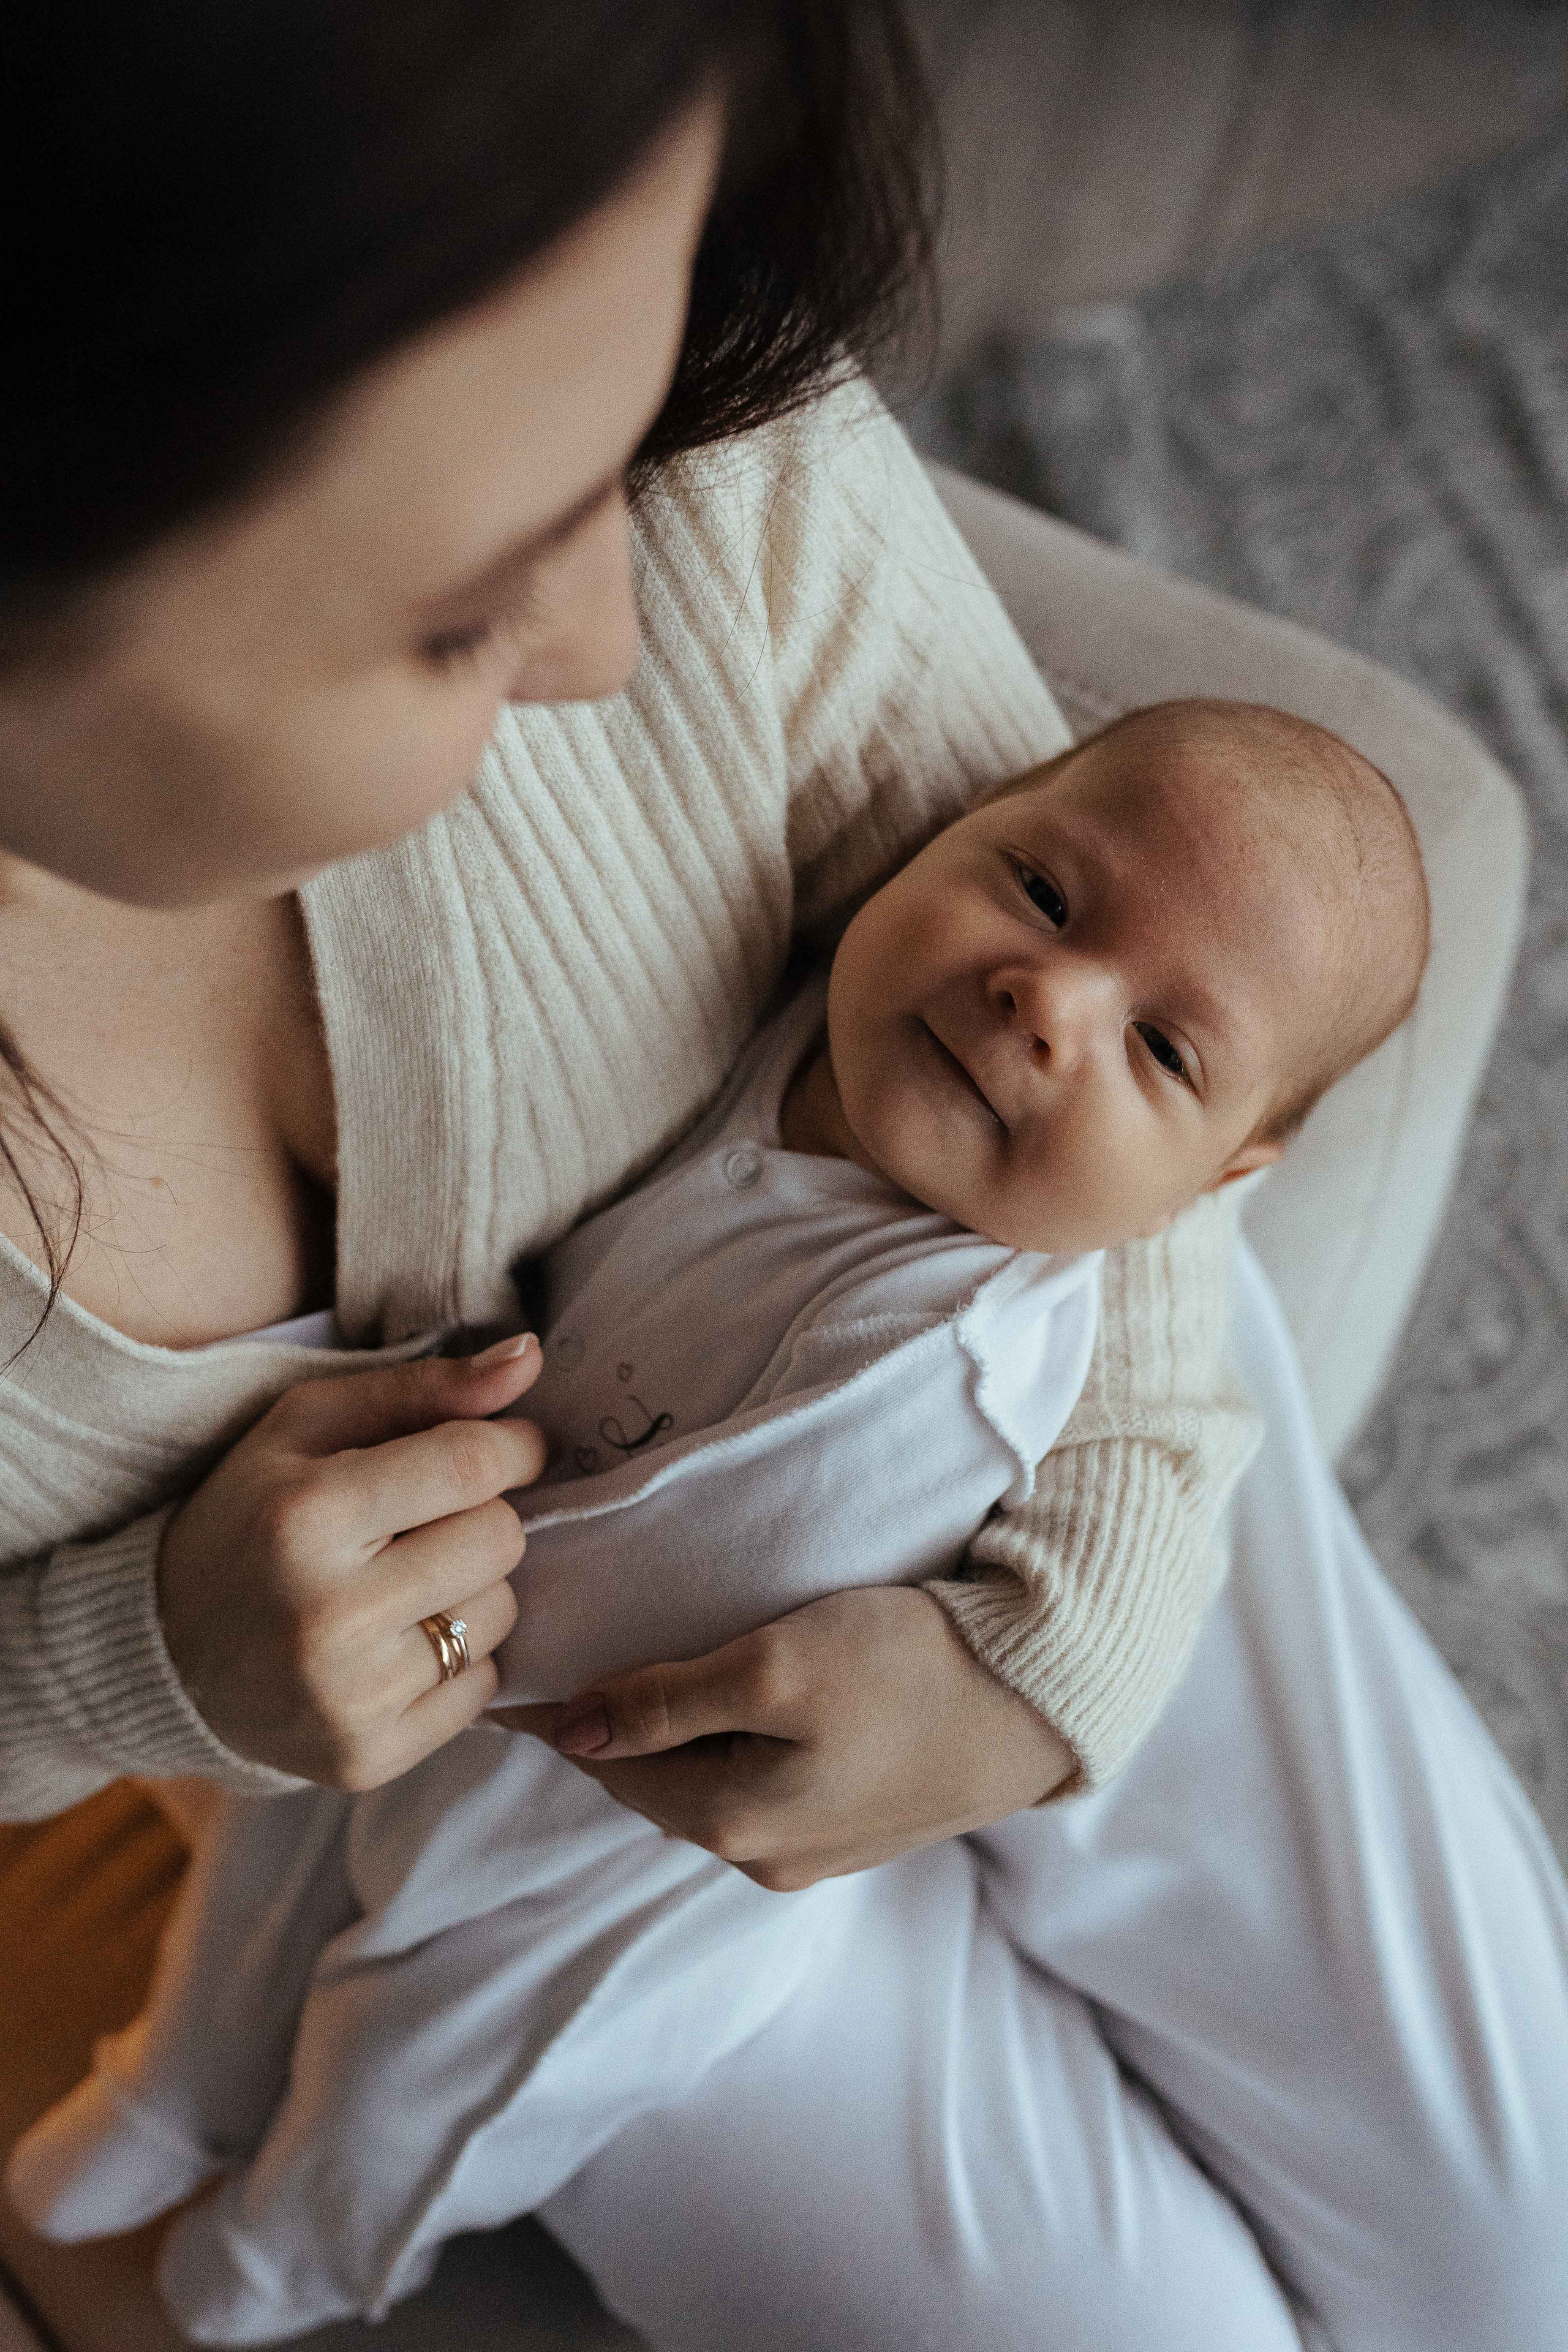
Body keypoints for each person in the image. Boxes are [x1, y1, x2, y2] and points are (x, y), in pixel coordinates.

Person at [0, 8, 1564, 2350]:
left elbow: (1150, 999)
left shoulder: (546, 216)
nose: (612, 639)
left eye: (634, 446)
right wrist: (147, 1651)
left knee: (1531, 2239)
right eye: (462, 606)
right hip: (563, 1810)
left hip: (1088, 1430)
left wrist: (1049, 1658)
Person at [6, 698, 1438, 2343]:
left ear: (1220, 1179)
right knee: (267, 1872)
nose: (1048, 1001)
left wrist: (455, 1530)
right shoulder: (812, 1036)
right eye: (1042, 894)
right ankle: (170, 2092)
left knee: (426, 2064)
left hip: (606, 1853)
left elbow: (701, 1556)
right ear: (945, 832)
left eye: (1164, 1053)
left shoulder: (950, 1366)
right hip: (430, 1652)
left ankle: (287, 2254)